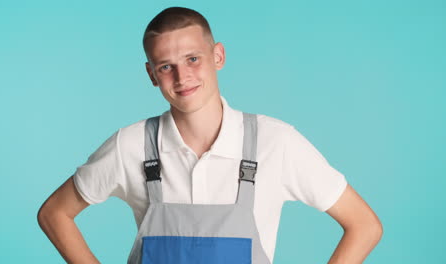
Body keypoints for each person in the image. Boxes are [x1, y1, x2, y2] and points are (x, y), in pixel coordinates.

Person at [37, 6, 383, 264]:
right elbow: (54, 213)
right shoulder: (130, 146)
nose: (182, 76)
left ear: (218, 55)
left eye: (192, 59)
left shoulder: (276, 142)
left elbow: (364, 225)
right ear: (151, 74)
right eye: (165, 66)